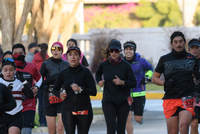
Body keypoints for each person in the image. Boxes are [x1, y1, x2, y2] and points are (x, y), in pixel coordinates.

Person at [152, 31, 199, 134]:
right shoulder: (164, 59)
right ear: (171, 44)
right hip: (170, 98)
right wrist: (164, 83)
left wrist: (197, 74)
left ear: (185, 42)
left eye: (181, 41)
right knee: (172, 132)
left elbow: (196, 78)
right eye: (176, 42)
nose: (178, 44)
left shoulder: (192, 59)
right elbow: (154, 78)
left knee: (184, 125)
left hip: (187, 96)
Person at [95, 39, 137, 134]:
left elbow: (134, 83)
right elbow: (97, 74)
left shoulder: (126, 65)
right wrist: (99, 81)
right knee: (111, 129)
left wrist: (122, 82)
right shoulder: (104, 65)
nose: (114, 53)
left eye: (116, 51)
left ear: (120, 51)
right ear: (109, 51)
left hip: (123, 102)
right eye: (112, 50)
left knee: (120, 130)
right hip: (108, 101)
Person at [53, 46, 97, 134]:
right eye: (70, 55)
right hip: (68, 110)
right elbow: (55, 89)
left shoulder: (85, 72)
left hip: (83, 109)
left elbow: (93, 91)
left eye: (75, 54)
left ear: (80, 57)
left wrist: (80, 89)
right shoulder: (63, 73)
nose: (73, 57)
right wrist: (60, 94)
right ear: (66, 57)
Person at [123, 41, 153, 134]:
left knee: (137, 118)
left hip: (139, 93)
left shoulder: (141, 61)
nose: (128, 51)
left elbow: (151, 69)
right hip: (126, 94)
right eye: (126, 49)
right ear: (124, 51)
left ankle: (140, 119)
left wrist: (147, 77)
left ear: (134, 51)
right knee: (128, 117)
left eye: (130, 49)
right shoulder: (121, 62)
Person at [12, 43, 42, 134]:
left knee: (26, 131)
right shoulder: (9, 69)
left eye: (20, 53)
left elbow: (40, 78)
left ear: (25, 54)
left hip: (29, 106)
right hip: (13, 107)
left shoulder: (32, 67)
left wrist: (37, 87)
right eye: (15, 53)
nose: (17, 55)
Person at [40, 42, 69, 134]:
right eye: (53, 49)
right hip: (50, 98)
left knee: (60, 128)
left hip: (63, 98)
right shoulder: (46, 64)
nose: (56, 51)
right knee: (51, 131)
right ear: (51, 51)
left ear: (62, 51)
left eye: (58, 49)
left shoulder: (67, 64)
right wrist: (51, 79)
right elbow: (40, 82)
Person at [0, 58, 34, 134]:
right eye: (5, 70)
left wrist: (24, 82)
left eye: (11, 70)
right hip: (2, 115)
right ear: (1, 70)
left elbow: (30, 95)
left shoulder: (19, 82)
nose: (8, 72)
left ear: (15, 70)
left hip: (16, 115)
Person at [32, 43, 49, 126]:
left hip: (36, 82)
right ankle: (43, 121)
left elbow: (32, 68)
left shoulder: (35, 56)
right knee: (43, 103)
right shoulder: (47, 57)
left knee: (34, 103)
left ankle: (32, 121)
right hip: (44, 82)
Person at [188, 38, 200, 134]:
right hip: (192, 97)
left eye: (197, 47)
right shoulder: (185, 62)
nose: (195, 49)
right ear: (189, 49)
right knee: (194, 124)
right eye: (192, 48)